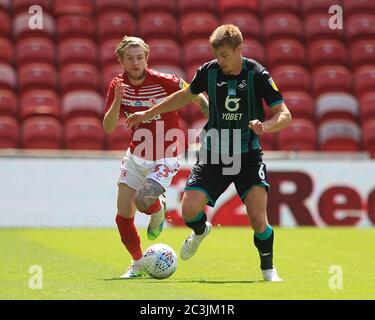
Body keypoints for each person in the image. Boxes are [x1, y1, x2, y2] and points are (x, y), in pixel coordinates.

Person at [126, 25, 292, 282]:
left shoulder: (257, 73)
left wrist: (266, 126)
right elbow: (184, 96)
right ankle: (200, 231)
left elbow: (285, 114)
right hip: (214, 154)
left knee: (258, 220)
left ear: (239, 50)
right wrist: (147, 113)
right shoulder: (208, 71)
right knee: (189, 211)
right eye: (217, 55)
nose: (220, 60)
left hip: (247, 156)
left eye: (225, 55)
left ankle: (268, 270)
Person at [103, 36, 209, 278]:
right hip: (136, 155)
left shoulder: (164, 81)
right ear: (121, 60)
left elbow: (194, 93)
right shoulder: (117, 86)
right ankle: (138, 264)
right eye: (129, 58)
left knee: (142, 201)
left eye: (140, 57)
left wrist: (211, 113)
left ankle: (157, 209)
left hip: (166, 154)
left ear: (146, 58)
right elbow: (108, 127)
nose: (135, 62)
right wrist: (118, 100)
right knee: (122, 215)